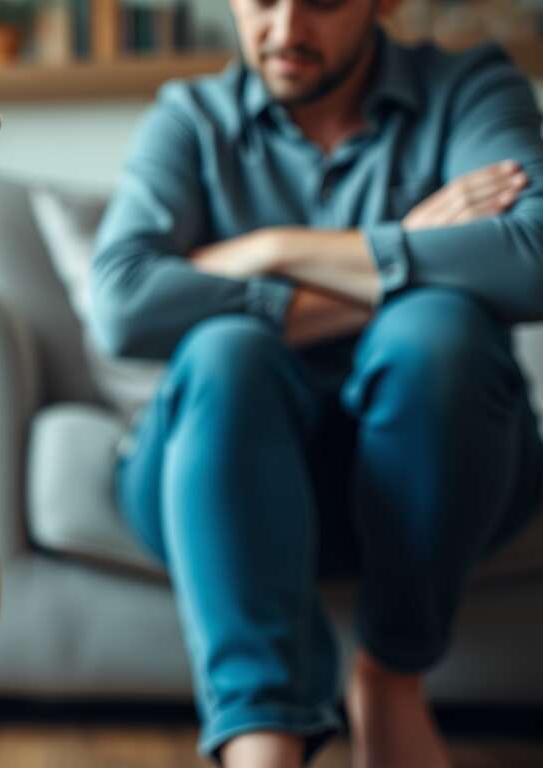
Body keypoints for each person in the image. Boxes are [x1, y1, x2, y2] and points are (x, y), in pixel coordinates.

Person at [92, 1, 543, 766]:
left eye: (322, 1)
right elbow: (122, 306)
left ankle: (390, 676)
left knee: (434, 329)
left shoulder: (470, 87)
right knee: (228, 351)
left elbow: (531, 254)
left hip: (435, 474)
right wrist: (404, 250)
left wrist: (268, 253)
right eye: (262, 1)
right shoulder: (190, 116)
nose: (286, 30)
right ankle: (261, 738)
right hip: (216, 471)